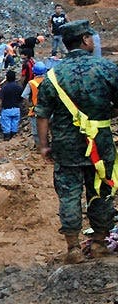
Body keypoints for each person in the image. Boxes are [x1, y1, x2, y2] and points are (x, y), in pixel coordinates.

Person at [36, 20, 118, 263]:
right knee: (101, 189)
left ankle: (73, 248)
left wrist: (43, 145)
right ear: (84, 40)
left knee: (69, 195)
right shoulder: (106, 68)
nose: (93, 41)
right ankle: (100, 244)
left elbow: (42, 114)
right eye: (91, 37)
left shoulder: (52, 75)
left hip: (65, 146)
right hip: (100, 143)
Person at [21, 61, 47, 148]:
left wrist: (29, 106)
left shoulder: (31, 83)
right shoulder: (49, 81)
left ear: (34, 72)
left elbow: (24, 96)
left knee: (36, 131)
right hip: (48, 110)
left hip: (35, 110)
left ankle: (39, 147)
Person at [0, 70, 24, 140]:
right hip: (16, 109)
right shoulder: (19, 87)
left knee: (6, 127)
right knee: (14, 126)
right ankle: (13, 140)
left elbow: (0, 100)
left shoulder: (4, 88)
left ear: (7, 78)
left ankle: (7, 140)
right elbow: (23, 99)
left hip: (6, 109)